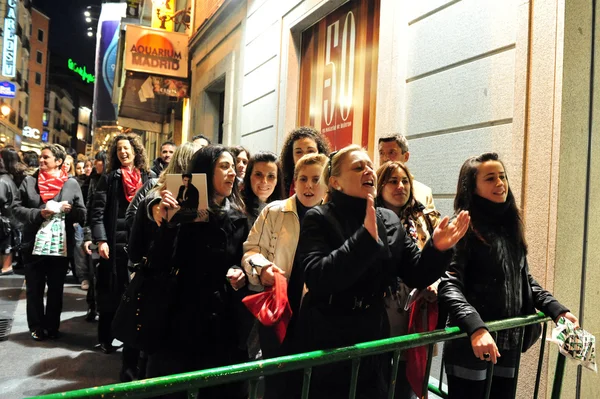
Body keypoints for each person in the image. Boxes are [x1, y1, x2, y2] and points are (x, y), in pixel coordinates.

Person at [291, 145, 470, 398]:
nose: (368, 170)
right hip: (326, 333)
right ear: (335, 182)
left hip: (374, 330)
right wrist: (363, 239)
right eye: (357, 167)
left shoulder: (388, 218)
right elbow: (318, 277)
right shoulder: (318, 218)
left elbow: (416, 273)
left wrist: (438, 249)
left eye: (368, 166)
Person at [438, 152, 578, 399]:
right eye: (490, 178)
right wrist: (476, 329)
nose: (500, 183)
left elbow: (523, 280)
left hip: (508, 343)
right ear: (472, 187)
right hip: (471, 346)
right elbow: (449, 285)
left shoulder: (509, 226)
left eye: (502, 176)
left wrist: (558, 310)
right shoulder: (463, 227)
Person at [146, 145, 248, 399]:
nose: (232, 173)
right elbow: (159, 262)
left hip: (222, 324)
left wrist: (240, 271)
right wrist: (168, 225)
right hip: (181, 322)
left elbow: (241, 260)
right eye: (224, 167)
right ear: (204, 171)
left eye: (233, 168)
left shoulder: (239, 218)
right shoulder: (181, 213)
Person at [242, 153, 328, 398]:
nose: (309, 185)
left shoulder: (333, 215)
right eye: (303, 179)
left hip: (318, 316)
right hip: (278, 312)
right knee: (277, 385)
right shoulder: (274, 211)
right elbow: (251, 251)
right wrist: (261, 268)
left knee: (312, 385)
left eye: (316, 179)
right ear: (294, 181)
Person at [376, 160, 442, 398]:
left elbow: (437, 261)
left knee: (408, 378)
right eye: (393, 181)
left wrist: (434, 283)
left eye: (405, 181)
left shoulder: (423, 219)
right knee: (380, 377)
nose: (400, 186)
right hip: (383, 310)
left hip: (417, 310)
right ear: (380, 185)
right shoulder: (371, 219)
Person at [90, 134, 151, 382]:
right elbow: (97, 212)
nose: (123, 153)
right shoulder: (109, 178)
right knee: (112, 295)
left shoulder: (147, 178)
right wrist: (101, 240)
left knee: (133, 295)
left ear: (136, 151)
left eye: (127, 148)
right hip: (113, 245)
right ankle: (105, 337)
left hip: (137, 245)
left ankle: (129, 342)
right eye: (118, 150)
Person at [12, 144, 86, 340]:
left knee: (55, 289)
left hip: (60, 246)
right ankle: (36, 326)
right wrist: (38, 213)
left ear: (59, 161)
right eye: (41, 157)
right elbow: (16, 208)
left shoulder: (71, 183)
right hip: (33, 244)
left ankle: (52, 326)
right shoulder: (29, 181)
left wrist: (71, 211)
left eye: (46, 157)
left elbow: (83, 214)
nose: (41, 161)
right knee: (34, 288)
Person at [378, 133, 435, 210]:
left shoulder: (423, 192)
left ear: (406, 156)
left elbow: (432, 221)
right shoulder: (370, 188)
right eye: (381, 153)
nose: (385, 158)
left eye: (392, 152)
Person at [279, 127, 331, 196]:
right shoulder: (281, 183)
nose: (304, 156)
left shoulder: (331, 182)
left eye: (310, 151)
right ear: (291, 156)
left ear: (320, 152)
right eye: (298, 152)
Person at [242, 151, 285, 229]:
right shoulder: (238, 210)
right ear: (249, 176)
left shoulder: (285, 209)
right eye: (258, 174)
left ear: (277, 180)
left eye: (271, 176)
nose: (264, 181)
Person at [0, 156, 19, 276]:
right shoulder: (7, 178)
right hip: (9, 217)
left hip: (5, 218)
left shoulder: (2, 180)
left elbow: (1, 198)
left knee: (5, 243)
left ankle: (6, 267)